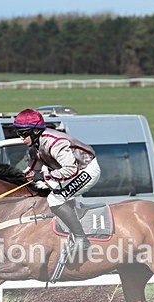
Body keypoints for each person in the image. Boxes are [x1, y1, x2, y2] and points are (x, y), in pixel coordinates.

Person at [13, 108, 101, 258]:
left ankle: (81, 238)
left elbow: (70, 170)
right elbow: (32, 170)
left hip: (86, 170)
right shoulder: (35, 145)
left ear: (35, 131)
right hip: (69, 171)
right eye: (18, 133)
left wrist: (44, 177)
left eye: (23, 133)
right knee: (42, 191)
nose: (21, 137)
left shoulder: (55, 143)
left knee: (55, 199)